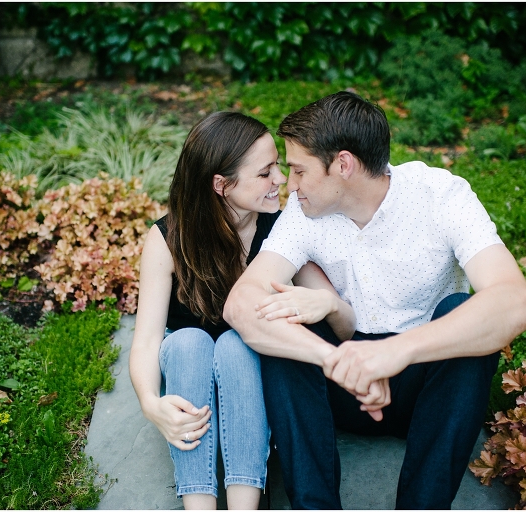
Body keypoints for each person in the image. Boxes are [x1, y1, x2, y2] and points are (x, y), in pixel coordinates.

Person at [223, 91, 526, 509]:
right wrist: (334, 359)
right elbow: (240, 304)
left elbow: (516, 302)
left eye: (298, 170)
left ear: (344, 165)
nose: (289, 184)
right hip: (336, 384)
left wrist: (394, 352)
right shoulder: (302, 213)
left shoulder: (440, 195)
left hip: (425, 388)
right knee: (282, 316)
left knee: (462, 312)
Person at [128, 111, 357, 510]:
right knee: (186, 341)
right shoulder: (168, 239)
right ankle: (198, 504)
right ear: (222, 185)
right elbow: (147, 341)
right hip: (189, 375)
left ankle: (244, 503)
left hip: (249, 375)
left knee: (237, 343)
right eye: (265, 172)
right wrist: (151, 403)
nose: (281, 180)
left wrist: (330, 303)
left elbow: (345, 321)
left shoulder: (281, 229)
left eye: (278, 168)